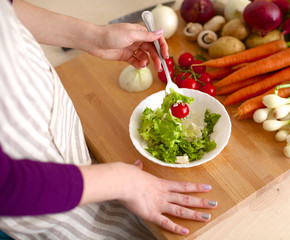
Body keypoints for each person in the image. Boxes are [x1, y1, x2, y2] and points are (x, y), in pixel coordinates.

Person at [0, 0, 218, 239]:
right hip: (45, 204)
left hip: (65, 151)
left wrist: (94, 37)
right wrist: (124, 181)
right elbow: (8, 187)